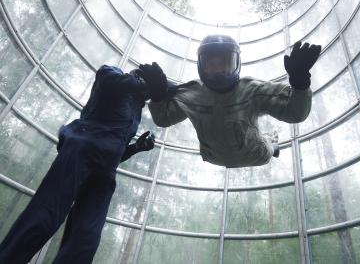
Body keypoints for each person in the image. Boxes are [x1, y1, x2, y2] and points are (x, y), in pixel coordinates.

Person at [0, 64, 168, 263]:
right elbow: (106, 78)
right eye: (147, 91)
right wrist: (138, 82)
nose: (146, 96)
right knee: (44, 216)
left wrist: (136, 147)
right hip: (81, 151)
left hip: (106, 171)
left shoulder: (136, 109)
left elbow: (115, 149)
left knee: (86, 238)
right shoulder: (114, 75)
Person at [148, 35, 321, 168]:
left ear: (236, 62)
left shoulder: (253, 90)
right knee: (258, 138)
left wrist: (300, 83)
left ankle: (272, 143)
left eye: (225, 63)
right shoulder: (192, 94)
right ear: (201, 65)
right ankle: (269, 139)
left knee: (268, 147)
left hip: (257, 154)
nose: (219, 70)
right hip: (213, 157)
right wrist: (157, 96)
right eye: (212, 64)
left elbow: (295, 113)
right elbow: (164, 119)